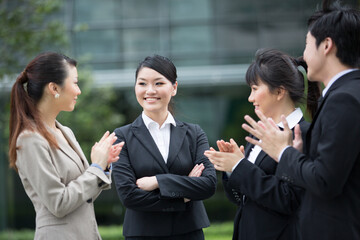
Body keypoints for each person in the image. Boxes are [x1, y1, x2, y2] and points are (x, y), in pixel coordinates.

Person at [241, 1, 360, 239]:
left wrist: (285, 153)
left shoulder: (344, 99)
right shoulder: (345, 94)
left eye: (307, 44)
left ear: (326, 45)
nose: (303, 55)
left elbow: (325, 181)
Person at [204, 48, 320, 240]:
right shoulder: (260, 134)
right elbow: (243, 198)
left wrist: (240, 166)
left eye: (255, 89)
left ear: (280, 92)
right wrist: (232, 169)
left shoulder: (305, 134)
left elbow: (290, 199)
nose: (250, 98)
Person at [8, 52, 124, 240]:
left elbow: (85, 197)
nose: (79, 91)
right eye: (75, 83)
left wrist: (102, 165)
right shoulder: (29, 139)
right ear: (54, 88)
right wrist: (94, 168)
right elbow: (59, 203)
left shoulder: (65, 132)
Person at [112, 55, 217, 240]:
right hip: (142, 235)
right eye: (142, 83)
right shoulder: (121, 136)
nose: (150, 90)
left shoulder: (194, 134)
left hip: (189, 233)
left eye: (159, 83)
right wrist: (183, 197)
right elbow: (128, 195)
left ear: (174, 88)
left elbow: (208, 185)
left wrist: (158, 181)